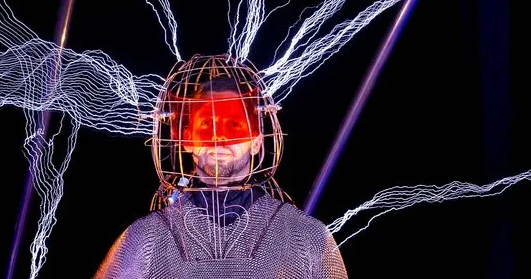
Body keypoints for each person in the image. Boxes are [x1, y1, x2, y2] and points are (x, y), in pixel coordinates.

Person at [93, 55, 348, 278]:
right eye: (206, 124)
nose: (219, 137)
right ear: (186, 141)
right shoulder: (143, 240)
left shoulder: (307, 237)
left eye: (234, 124)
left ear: (257, 142)